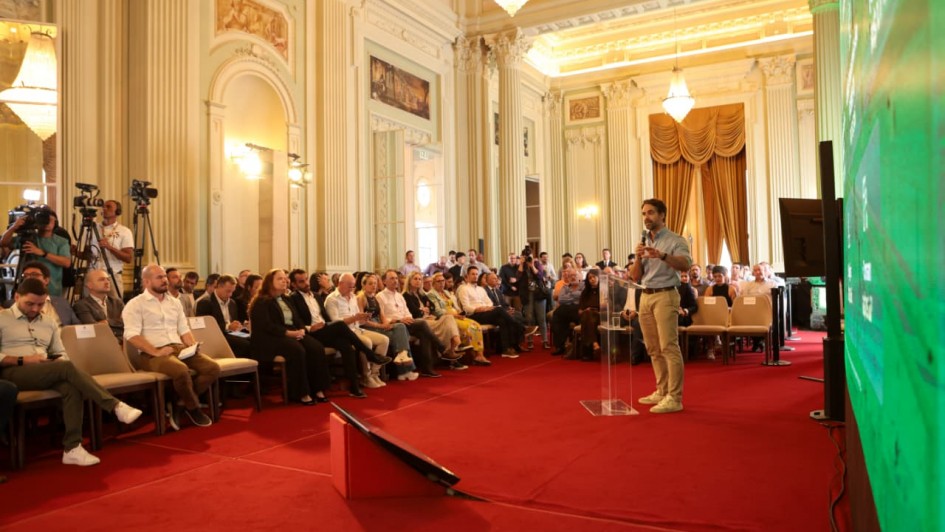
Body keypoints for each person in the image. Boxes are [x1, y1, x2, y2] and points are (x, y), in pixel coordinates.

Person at [1, 278, 142, 466]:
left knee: (70, 386)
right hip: (13, 371)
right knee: (65, 368)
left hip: (46, 370)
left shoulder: (49, 322)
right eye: (29, 304)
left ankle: (72, 448)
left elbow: (60, 353)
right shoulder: (2, 318)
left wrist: (58, 359)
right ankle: (115, 406)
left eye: (40, 304)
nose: (35, 309)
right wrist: (22, 359)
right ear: (16, 296)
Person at [123, 265, 220, 428]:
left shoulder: (175, 302)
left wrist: (192, 345)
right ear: (146, 282)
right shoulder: (135, 304)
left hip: (178, 348)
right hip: (151, 354)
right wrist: (156, 351)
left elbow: (184, 329)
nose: (164, 280)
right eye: (159, 277)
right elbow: (131, 335)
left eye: (164, 277)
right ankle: (194, 408)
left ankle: (180, 404)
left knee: (213, 368)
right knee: (181, 370)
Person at [287, 269, 391, 398]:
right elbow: (296, 320)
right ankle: (370, 355)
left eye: (306, 279)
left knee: (347, 346)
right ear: (294, 284)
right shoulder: (293, 298)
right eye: (301, 281)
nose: (306, 283)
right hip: (312, 332)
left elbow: (326, 318)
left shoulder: (316, 296)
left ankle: (354, 387)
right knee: (341, 324)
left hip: (325, 328)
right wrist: (310, 327)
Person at [630, 198, 692, 414]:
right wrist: (638, 257)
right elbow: (634, 276)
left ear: (662, 215)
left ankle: (675, 398)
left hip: (665, 294)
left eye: (651, 213)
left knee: (668, 347)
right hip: (645, 296)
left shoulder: (676, 240)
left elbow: (686, 264)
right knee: (653, 348)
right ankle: (661, 390)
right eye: (644, 214)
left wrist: (662, 255)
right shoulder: (644, 240)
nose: (646, 217)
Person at [249, 269, 330, 405]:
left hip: (290, 334)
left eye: (285, 278)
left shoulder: (286, 298)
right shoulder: (261, 301)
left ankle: (317, 389)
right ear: (270, 282)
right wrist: (289, 333)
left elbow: (296, 318)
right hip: (270, 339)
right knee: (297, 350)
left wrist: (301, 329)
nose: (284, 281)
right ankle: (300, 393)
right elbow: (267, 326)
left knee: (315, 347)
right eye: (280, 279)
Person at [324, 273, 391, 389]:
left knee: (384, 340)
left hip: (357, 328)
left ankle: (375, 374)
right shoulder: (331, 299)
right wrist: (355, 318)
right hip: (345, 333)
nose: (352, 289)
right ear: (340, 284)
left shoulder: (353, 297)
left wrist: (363, 318)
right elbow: (336, 323)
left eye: (353, 286)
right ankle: (366, 377)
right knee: (367, 342)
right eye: (349, 286)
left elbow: (358, 321)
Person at [376, 269, 446, 377]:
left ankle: (427, 368)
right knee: (422, 324)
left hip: (406, 323)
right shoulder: (380, 296)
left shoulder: (399, 296)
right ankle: (441, 347)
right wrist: (400, 320)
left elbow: (407, 313)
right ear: (384, 281)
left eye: (396, 278)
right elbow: (383, 317)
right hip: (395, 325)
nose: (395, 281)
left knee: (424, 334)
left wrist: (407, 318)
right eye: (391, 278)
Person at [357, 273, 419, 381]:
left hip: (379, 325)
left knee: (400, 328)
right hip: (369, 327)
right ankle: (405, 368)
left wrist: (386, 324)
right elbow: (362, 321)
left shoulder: (374, 297)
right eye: (370, 283)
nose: (374, 286)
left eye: (375, 283)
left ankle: (403, 362)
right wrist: (380, 325)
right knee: (400, 332)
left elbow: (382, 315)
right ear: (363, 285)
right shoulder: (361, 298)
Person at [457, 266, 529, 358]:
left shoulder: (480, 289)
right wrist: (479, 309)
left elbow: (489, 302)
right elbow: (466, 307)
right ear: (467, 276)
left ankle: (504, 349)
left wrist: (486, 307)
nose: (475, 276)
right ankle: (518, 325)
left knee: (502, 320)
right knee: (499, 309)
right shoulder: (464, 289)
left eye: (476, 274)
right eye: (472, 274)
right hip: (474, 315)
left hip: (485, 312)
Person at [402, 271, 468, 367]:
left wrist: (425, 310)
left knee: (448, 318)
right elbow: (414, 313)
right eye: (415, 279)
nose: (418, 281)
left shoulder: (421, 294)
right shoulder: (406, 295)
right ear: (409, 281)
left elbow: (431, 307)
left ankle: (453, 346)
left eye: (420, 279)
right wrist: (423, 310)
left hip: (430, 319)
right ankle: (452, 351)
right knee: (446, 326)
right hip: (420, 323)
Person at [1, 209, 71, 296]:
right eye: (43, 219)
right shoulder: (29, 238)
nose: (47, 222)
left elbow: (66, 262)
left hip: (52, 289)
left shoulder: (61, 241)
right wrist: (13, 227)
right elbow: (3, 243)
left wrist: (42, 253)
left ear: (55, 222)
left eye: (50, 219)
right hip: (28, 287)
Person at [427, 272, 490, 366]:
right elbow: (437, 311)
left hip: (456, 315)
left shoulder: (446, 292)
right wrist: (455, 315)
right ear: (433, 283)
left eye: (443, 281)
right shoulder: (431, 294)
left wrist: (460, 313)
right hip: (446, 318)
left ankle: (479, 354)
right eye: (438, 281)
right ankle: (472, 355)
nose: (441, 283)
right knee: (469, 328)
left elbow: (456, 307)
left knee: (476, 325)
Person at [195, 274, 252, 359]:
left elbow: (233, 322)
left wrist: (241, 325)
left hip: (232, 334)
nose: (230, 295)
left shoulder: (232, 303)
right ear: (219, 287)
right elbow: (205, 328)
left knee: (254, 340)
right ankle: (242, 370)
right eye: (228, 291)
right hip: (217, 337)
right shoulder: (205, 303)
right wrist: (228, 326)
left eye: (232, 291)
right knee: (246, 345)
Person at [9, 261, 81, 326]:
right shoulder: (12, 305)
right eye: (25, 276)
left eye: (34, 275)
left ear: (46, 280)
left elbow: (77, 327)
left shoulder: (62, 302)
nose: (29, 278)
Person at [89, 200, 133, 297]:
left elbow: (128, 258)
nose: (104, 209)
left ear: (117, 212)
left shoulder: (124, 231)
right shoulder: (93, 228)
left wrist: (109, 247)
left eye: (108, 207)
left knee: (116, 307)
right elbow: (88, 254)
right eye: (103, 207)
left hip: (112, 276)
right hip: (93, 275)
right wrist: (75, 252)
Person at [73, 269, 125, 338]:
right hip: (98, 342)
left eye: (108, 279)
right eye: (101, 280)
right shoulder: (81, 305)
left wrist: (107, 322)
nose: (107, 282)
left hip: (121, 340)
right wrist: (117, 322)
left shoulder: (117, 302)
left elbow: (127, 322)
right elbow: (94, 328)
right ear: (90, 285)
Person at [576, 269, 602, 360]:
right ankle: (595, 344)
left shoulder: (603, 291)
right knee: (588, 315)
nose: (592, 279)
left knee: (588, 317)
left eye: (594, 277)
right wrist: (585, 310)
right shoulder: (585, 292)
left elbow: (607, 307)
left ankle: (588, 352)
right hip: (586, 315)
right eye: (590, 278)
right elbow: (579, 310)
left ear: (598, 277)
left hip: (600, 315)